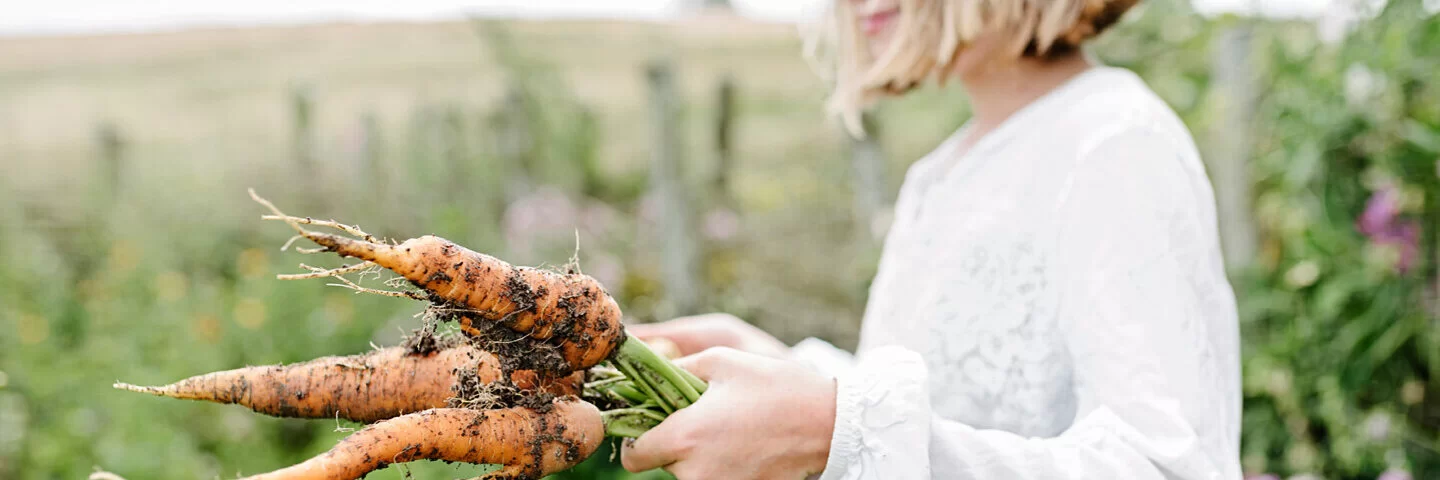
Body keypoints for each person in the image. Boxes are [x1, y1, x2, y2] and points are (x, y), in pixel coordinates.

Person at [620, 0, 1243, 478]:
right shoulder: (942, 172)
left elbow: (1162, 464)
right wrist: (788, 370)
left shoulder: (1114, 147)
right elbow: (941, 407)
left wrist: (830, 429)